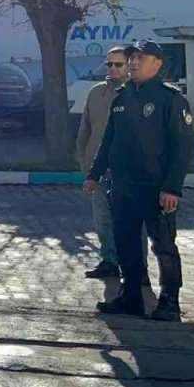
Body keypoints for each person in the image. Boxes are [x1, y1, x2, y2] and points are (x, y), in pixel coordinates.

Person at [86, 40, 194, 321]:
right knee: (126, 243)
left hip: (157, 188)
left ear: (157, 64)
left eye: (141, 58)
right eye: (132, 57)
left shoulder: (170, 98)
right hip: (124, 185)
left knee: (163, 246)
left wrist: (172, 187)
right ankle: (131, 296)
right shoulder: (122, 97)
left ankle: (169, 302)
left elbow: (182, 147)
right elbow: (109, 140)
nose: (134, 62)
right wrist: (95, 174)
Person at [77, 46, 132, 279]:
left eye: (118, 64)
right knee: (102, 220)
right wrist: (85, 162)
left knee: (128, 222)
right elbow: (85, 130)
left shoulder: (134, 93)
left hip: (126, 170)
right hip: (98, 168)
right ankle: (109, 261)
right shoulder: (95, 93)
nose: (112, 69)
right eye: (109, 64)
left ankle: (133, 269)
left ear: (130, 65)